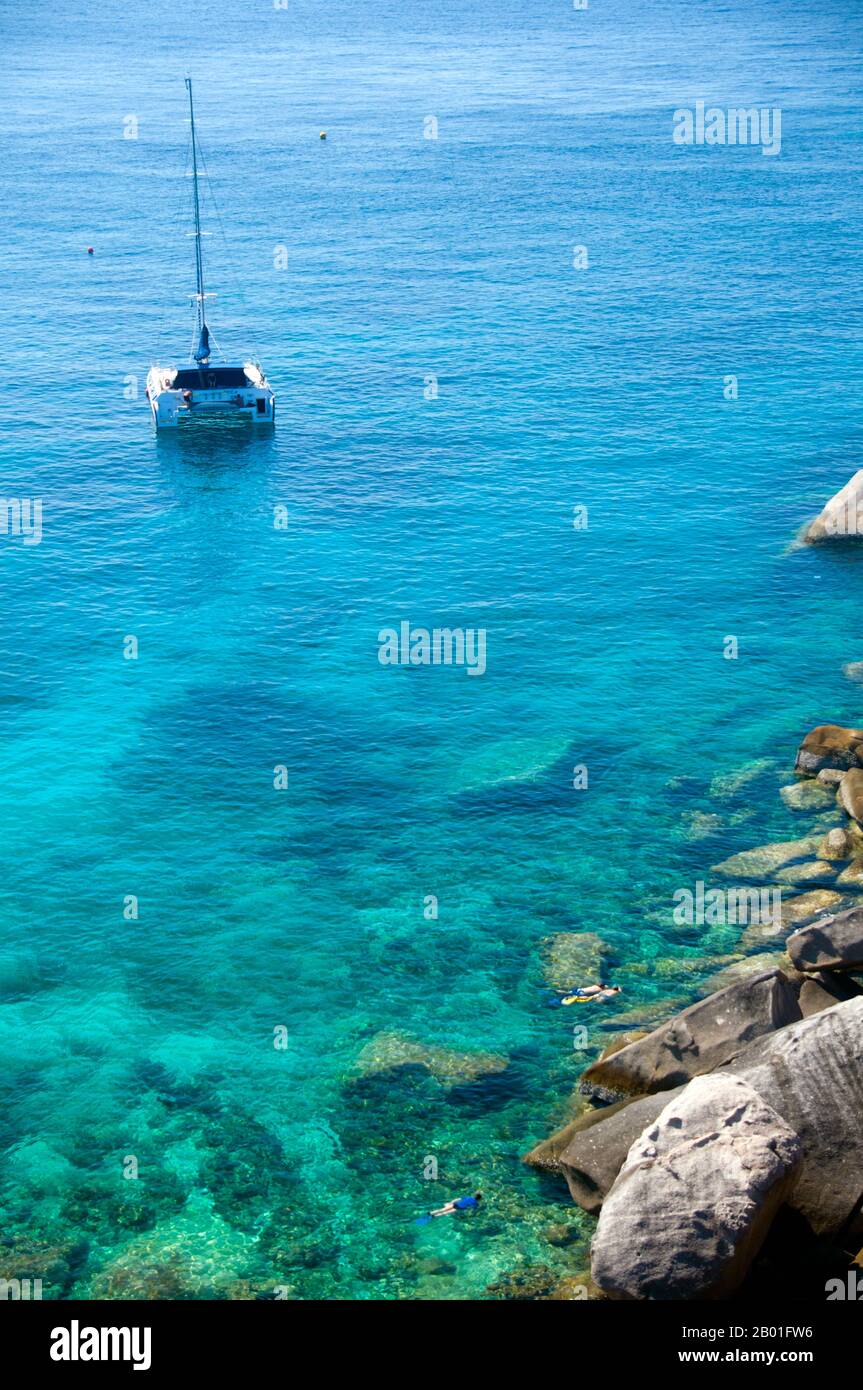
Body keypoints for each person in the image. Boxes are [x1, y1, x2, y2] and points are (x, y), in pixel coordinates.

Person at [416, 1192, 483, 1224]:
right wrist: (473, 1213)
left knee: (442, 1209)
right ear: (479, 1199)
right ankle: (432, 1217)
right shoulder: (476, 1203)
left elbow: (458, 1198)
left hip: (455, 1204)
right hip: (459, 1208)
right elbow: (473, 1209)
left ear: (474, 1195)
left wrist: (450, 1202)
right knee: (445, 1213)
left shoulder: (468, 1197)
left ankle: (429, 1213)